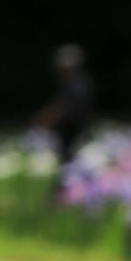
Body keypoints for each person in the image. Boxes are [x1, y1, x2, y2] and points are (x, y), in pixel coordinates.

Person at [37, 43, 95, 195]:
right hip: (69, 130)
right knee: (68, 163)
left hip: (73, 130)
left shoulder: (77, 84)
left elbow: (67, 107)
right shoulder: (73, 82)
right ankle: (68, 193)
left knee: (70, 163)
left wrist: (49, 118)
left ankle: (69, 194)